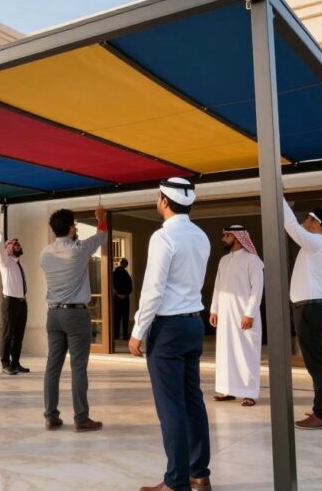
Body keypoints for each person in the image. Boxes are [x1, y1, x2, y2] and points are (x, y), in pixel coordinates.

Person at [130, 178, 212, 491]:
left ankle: (176, 482)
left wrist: (139, 329)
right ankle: (199, 473)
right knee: (193, 401)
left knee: (171, 406)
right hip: (194, 324)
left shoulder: (163, 237)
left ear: (164, 201)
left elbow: (153, 289)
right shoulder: (201, 236)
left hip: (170, 327)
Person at [39, 205, 107, 433]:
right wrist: (100, 218)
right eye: (75, 225)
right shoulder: (79, 249)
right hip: (75, 315)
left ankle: (50, 416)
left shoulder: (45, 253)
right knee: (78, 367)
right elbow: (102, 235)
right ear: (70, 228)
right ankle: (81, 418)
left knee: (52, 366)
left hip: (53, 314)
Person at [281, 196, 322, 430]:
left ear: (316, 223)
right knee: (315, 362)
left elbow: (291, 226)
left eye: (308, 219)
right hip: (309, 307)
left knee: (317, 364)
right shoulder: (316, 244)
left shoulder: (319, 242)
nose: (304, 222)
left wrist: (280, 197)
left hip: (311, 309)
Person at [209, 225, 264, 407]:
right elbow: (218, 286)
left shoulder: (252, 260)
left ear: (238, 237)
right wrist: (214, 309)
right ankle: (228, 390)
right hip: (225, 315)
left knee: (246, 353)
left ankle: (249, 393)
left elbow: (257, 289)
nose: (223, 239)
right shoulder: (224, 260)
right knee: (226, 352)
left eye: (227, 236)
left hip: (244, 316)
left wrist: (249, 313)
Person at [0, 223, 30, 375]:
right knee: (8, 335)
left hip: (22, 303)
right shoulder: (5, 262)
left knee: (19, 336)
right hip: (10, 303)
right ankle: (5, 364)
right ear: (10, 249)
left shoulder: (22, 265)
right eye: (16, 245)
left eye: (19, 245)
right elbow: (0, 250)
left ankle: (15, 363)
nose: (19, 247)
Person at [112, 258, 133, 340]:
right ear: (126, 265)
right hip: (125, 299)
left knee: (116, 317)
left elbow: (112, 285)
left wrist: (117, 294)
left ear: (120, 263)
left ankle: (115, 335)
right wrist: (125, 295)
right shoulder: (127, 275)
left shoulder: (113, 274)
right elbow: (130, 288)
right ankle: (124, 335)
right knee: (125, 318)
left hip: (117, 298)